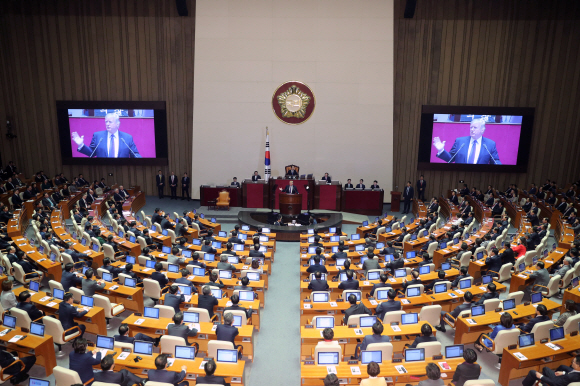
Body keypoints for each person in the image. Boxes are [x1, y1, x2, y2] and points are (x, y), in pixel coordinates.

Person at [433, 118, 501, 164]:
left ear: (482, 130)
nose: (472, 129)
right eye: (471, 127)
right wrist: (441, 150)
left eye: (475, 128)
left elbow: (495, 161)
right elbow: (450, 159)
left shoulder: (490, 144)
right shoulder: (460, 141)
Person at [71, 112, 141, 158]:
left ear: (117, 124)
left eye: (110, 122)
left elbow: (135, 154)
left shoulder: (127, 138)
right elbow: (91, 153)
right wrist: (81, 145)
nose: (107, 124)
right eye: (106, 122)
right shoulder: (98, 136)